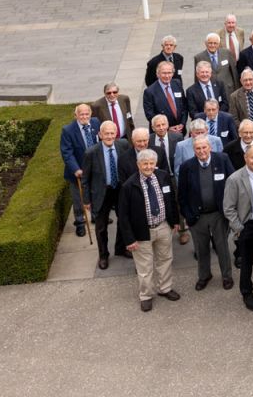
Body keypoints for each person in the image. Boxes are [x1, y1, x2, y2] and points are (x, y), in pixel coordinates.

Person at [117, 149, 180, 312]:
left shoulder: (163, 176)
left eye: (151, 163)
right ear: (138, 165)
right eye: (145, 163)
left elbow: (172, 200)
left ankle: (165, 288)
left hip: (163, 226)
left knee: (165, 259)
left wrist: (175, 222)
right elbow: (123, 215)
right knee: (144, 266)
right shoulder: (129, 185)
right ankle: (146, 295)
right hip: (142, 232)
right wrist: (129, 239)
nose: (148, 166)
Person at [177, 135, 235, 291]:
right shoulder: (186, 167)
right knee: (201, 248)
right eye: (198, 148)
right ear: (194, 150)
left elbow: (232, 185)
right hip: (197, 216)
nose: (202, 151)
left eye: (204, 147)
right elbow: (181, 196)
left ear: (210, 147)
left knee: (222, 247)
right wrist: (188, 216)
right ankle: (204, 275)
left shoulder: (222, 159)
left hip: (218, 214)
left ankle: (227, 276)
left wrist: (229, 211)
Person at [223, 144, 253, 312]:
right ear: (245, 158)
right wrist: (239, 228)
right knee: (247, 262)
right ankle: (246, 292)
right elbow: (228, 208)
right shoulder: (235, 179)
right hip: (247, 226)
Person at [81, 121, 126, 269]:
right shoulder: (91, 153)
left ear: (116, 134)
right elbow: (85, 179)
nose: (109, 136)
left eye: (112, 133)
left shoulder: (123, 145)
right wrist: (86, 200)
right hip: (101, 193)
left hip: (119, 189)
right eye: (106, 133)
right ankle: (103, 255)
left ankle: (120, 248)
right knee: (101, 227)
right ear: (100, 135)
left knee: (124, 221)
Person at [59, 103, 99, 237]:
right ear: (76, 115)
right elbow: (67, 153)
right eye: (81, 114)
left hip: (94, 169)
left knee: (94, 193)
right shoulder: (68, 130)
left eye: (86, 113)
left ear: (91, 114)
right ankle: (80, 223)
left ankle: (94, 215)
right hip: (78, 171)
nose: (84, 116)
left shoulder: (95, 123)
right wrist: (75, 169)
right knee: (78, 199)